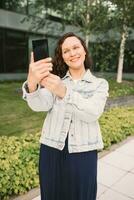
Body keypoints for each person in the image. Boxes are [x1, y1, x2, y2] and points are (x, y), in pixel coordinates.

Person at [22, 32, 109, 200]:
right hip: (51, 149)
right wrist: (32, 83)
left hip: (83, 151)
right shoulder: (54, 81)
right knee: (51, 195)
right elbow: (39, 104)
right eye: (66, 51)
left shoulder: (100, 84)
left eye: (76, 47)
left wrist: (64, 92)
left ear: (84, 51)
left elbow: (93, 112)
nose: (72, 53)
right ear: (62, 57)